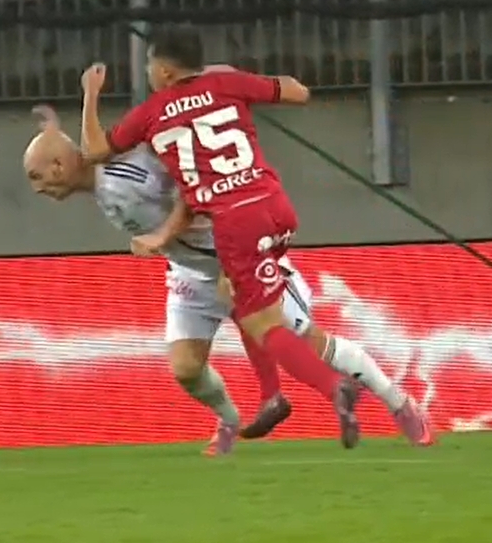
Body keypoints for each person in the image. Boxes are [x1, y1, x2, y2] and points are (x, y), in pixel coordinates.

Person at [76, 27, 433, 446]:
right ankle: (285, 397)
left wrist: (91, 94)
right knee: (245, 304)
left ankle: (342, 389)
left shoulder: (151, 113)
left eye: (150, 67)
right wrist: (227, 81)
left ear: (166, 71)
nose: (149, 74)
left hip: (237, 227)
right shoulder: (226, 83)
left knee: (277, 330)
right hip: (275, 208)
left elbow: (94, 150)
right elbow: (298, 91)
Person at [24, 104, 422, 452]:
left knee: (312, 344)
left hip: (238, 258)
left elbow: (192, 190)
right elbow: (85, 147)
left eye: (36, 177)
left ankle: (400, 404)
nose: (37, 189)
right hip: (191, 272)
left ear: (59, 166)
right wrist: (58, 122)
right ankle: (231, 420)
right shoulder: (99, 177)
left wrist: (163, 235)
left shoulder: (131, 173)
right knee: (185, 368)